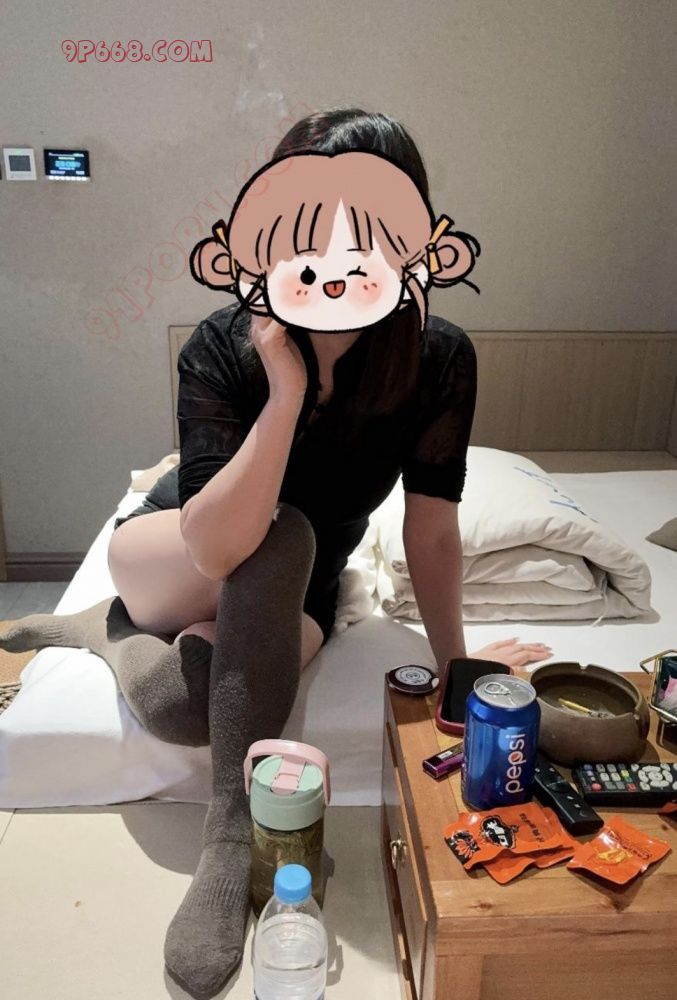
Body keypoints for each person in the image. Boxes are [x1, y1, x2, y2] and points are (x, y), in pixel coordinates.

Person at [0, 107, 552, 999]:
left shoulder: (437, 356)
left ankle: (105, 635)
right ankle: (231, 840)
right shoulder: (223, 343)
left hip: (302, 584)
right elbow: (219, 541)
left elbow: (430, 524)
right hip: (175, 554)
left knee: (190, 710)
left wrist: (459, 667)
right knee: (277, 530)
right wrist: (286, 389)